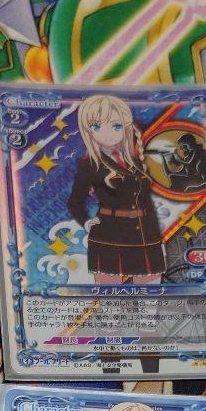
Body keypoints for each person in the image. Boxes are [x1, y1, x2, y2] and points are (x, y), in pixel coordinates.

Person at [66, 94, 167, 285]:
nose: (108, 134)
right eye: (97, 127)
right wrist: (86, 223)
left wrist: (156, 236)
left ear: (126, 126)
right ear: (88, 130)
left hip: (145, 232)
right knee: (110, 297)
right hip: (109, 233)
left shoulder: (136, 162)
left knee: (150, 294)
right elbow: (74, 202)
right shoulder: (89, 164)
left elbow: (145, 200)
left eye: (116, 126)